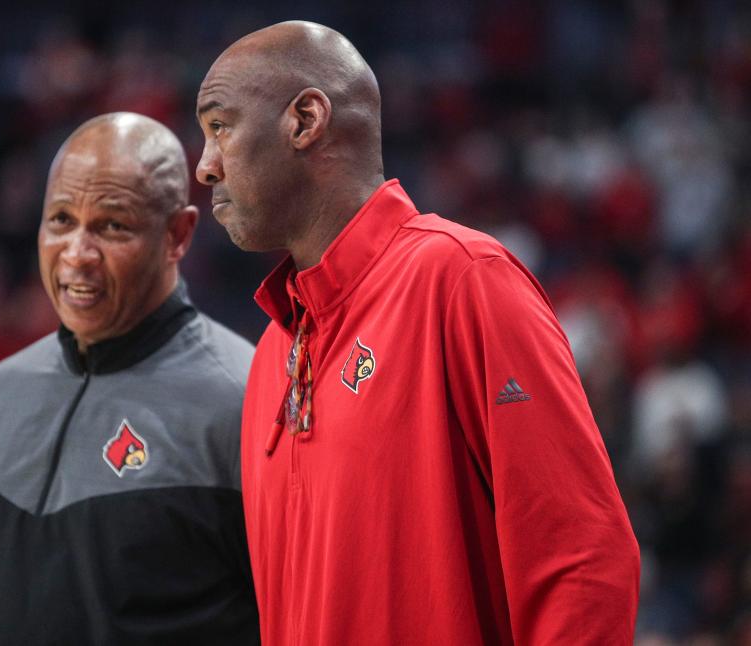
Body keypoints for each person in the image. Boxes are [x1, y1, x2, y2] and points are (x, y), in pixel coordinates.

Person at [195, 21, 640, 645]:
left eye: (219, 127)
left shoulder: (463, 279)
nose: (205, 166)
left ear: (304, 120)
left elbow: (580, 561)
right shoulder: (273, 350)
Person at [0, 112, 259, 645]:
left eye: (112, 226)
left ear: (177, 235)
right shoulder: (2, 389)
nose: (77, 254)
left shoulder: (245, 399)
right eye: (61, 220)